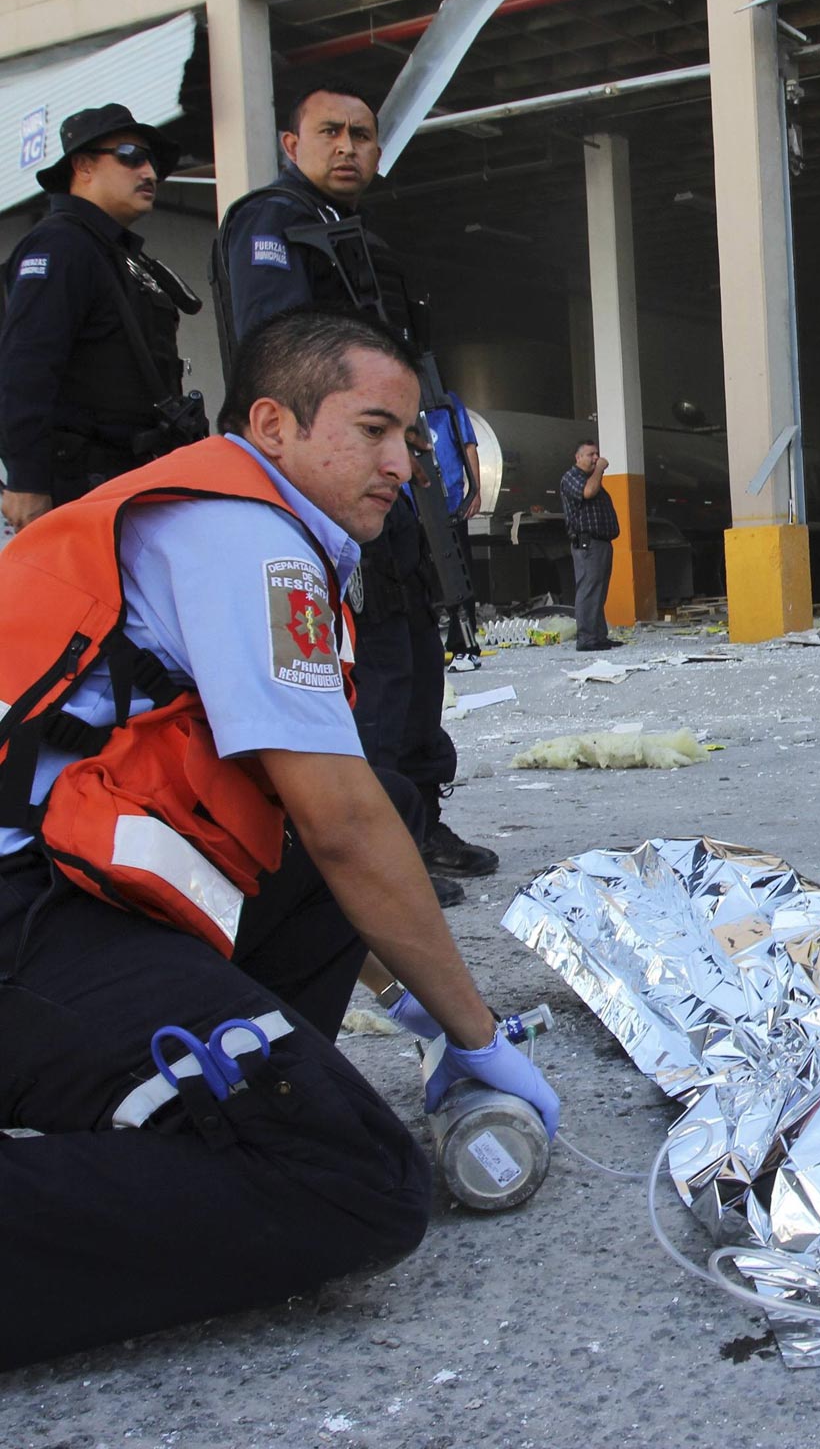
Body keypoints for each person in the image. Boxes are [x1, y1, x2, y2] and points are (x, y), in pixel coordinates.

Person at [0, 307, 558, 1369]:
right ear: (273, 424)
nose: (406, 461)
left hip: (53, 893)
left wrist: (417, 1006)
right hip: (24, 921)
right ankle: (237, 1135)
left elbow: (342, 822)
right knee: (349, 1185)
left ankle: (217, 1106)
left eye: (414, 435)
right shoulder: (248, 539)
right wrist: (472, 1033)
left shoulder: (230, 518)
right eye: (374, 429)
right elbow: (338, 828)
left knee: (379, 802)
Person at [211, 83, 497, 905]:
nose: (347, 147)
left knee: (414, 639)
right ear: (291, 144)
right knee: (367, 655)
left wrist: (434, 445)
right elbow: (279, 358)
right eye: (329, 132)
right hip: (325, 476)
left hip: (394, 466)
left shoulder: (359, 238)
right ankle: (381, 842)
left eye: (363, 135)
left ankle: (418, 814)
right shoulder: (269, 223)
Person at [1, 103, 204, 533]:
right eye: (130, 155)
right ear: (83, 166)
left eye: (153, 162)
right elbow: (26, 367)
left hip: (127, 483)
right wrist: (27, 481)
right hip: (79, 487)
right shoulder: (61, 245)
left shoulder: (114, 253)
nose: (148, 171)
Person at [424, 394, 484, 671]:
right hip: (413, 508)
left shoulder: (448, 404)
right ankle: (433, 644)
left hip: (449, 505)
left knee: (457, 576)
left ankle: (466, 645)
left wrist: (474, 490)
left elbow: (468, 446)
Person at [559, 439, 620, 651]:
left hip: (601, 543)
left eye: (597, 454)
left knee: (599, 591)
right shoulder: (572, 477)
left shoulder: (589, 478)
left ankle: (599, 636)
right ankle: (586, 639)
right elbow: (588, 492)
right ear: (578, 457)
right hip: (588, 544)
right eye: (590, 455)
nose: (595, 458)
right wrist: (600, 469)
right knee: (588, 589)